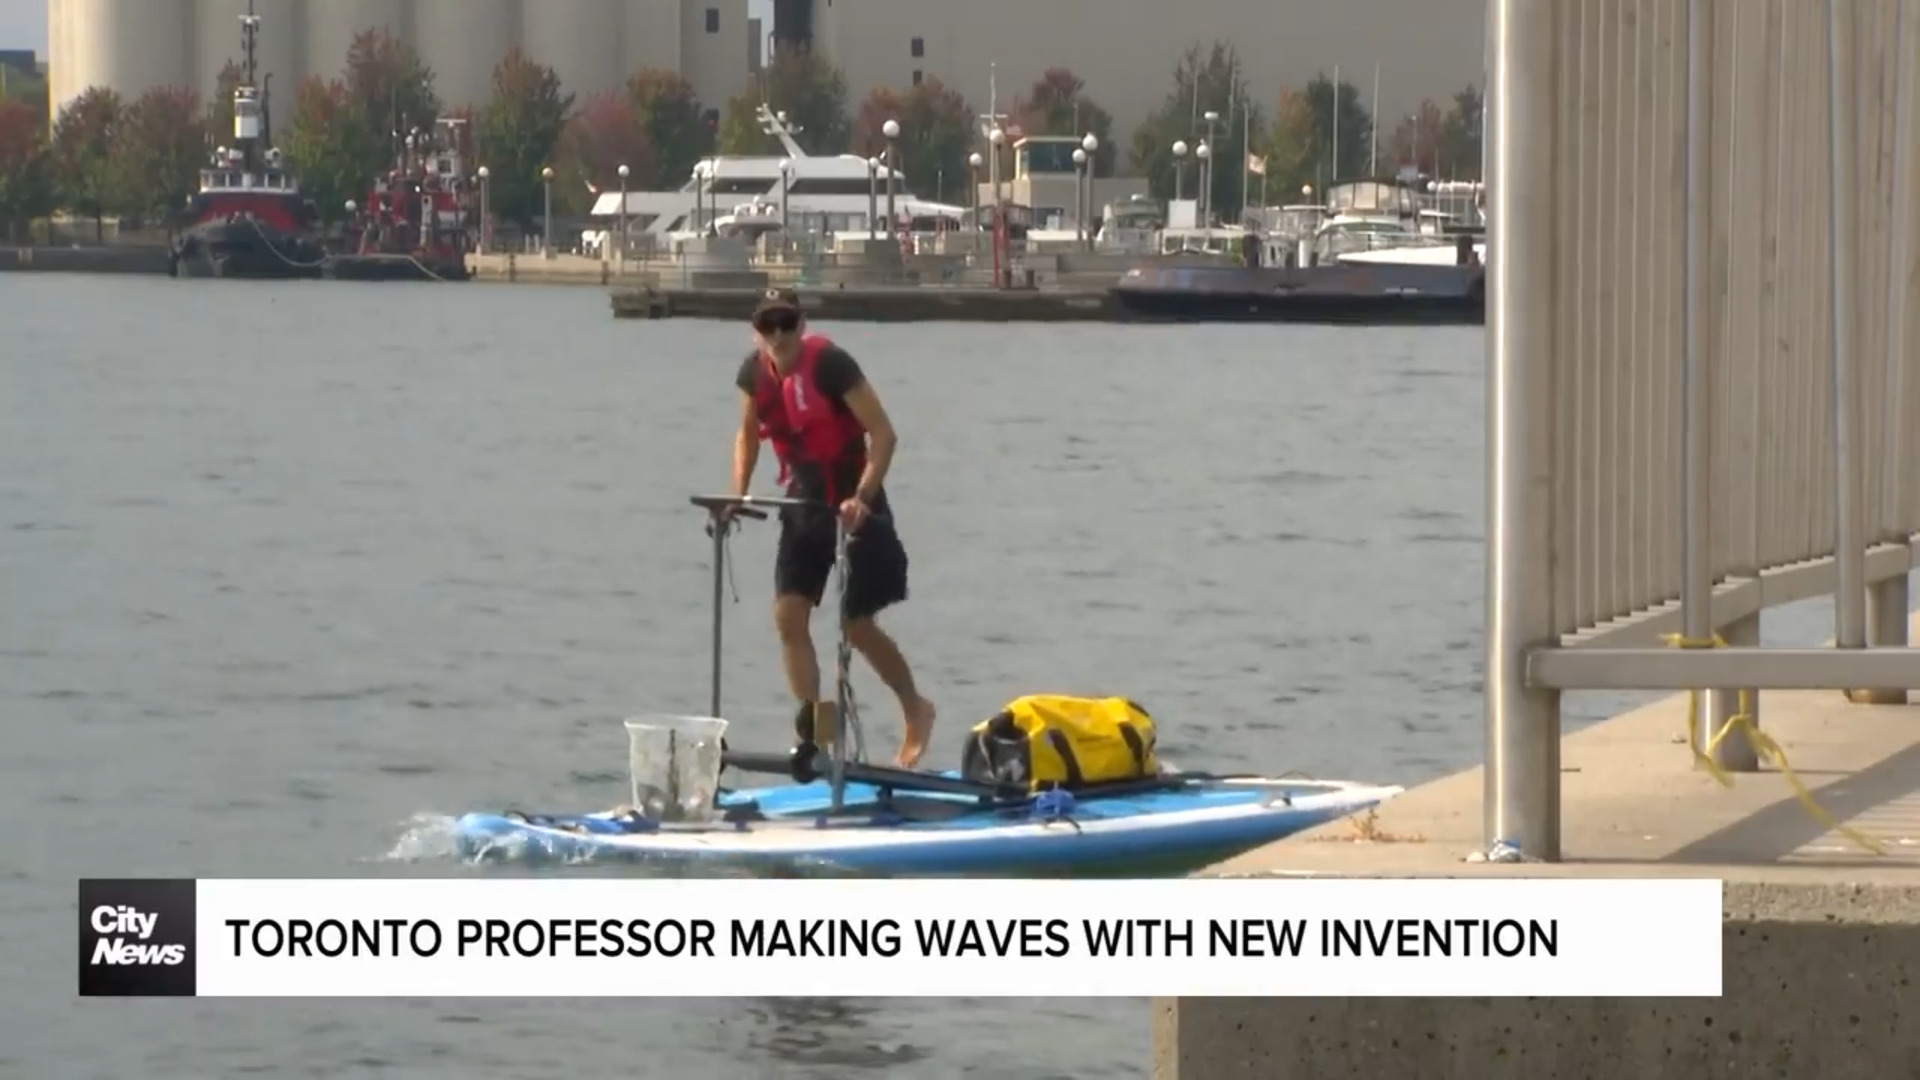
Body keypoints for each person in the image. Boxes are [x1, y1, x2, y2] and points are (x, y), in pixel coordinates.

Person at [723, 288, 937, 768]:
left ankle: (915, 709)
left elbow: (884, 434)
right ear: (755, 331)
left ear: (801, 324)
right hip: (803, 505)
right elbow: (747, 436)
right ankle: (815, 737)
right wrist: (736, 493)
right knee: (788, 617)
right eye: (767, 325)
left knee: (855, 625)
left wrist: (862, 498)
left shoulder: (831, 365)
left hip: (856, 500)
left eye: (787, 323)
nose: (778, 334)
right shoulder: (753, 375)